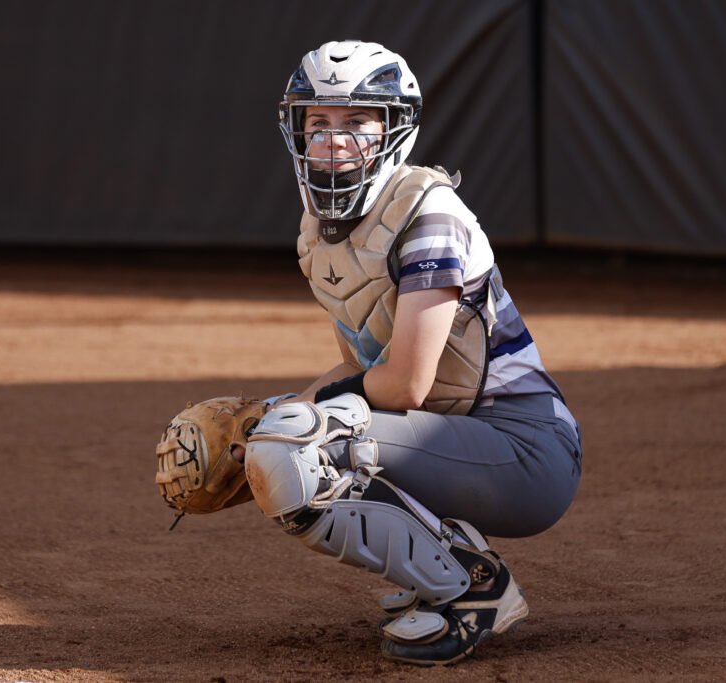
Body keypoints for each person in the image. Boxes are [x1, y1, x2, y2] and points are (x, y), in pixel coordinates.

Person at [239, 40, 582, 666]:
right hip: (457, 437)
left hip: (527, 448)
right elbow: (360, 368)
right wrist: (271, 415)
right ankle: (444, 556)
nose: (334, 139)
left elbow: (403, 388)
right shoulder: (322, 227)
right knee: (286, 434)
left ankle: (474, 588)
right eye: (318, 122)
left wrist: (286, 427)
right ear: (297, 132)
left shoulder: (429, 213)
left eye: (356, 122)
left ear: (392, 130)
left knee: (296, 445)